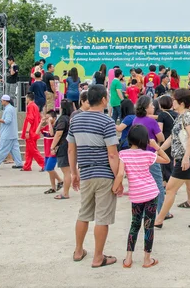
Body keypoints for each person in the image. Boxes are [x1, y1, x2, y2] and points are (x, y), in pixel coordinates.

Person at [68, 86, 121, 266]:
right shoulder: (106, 122)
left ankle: (78, 250)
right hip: (104, 174)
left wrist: (74, 172)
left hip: (86, 172)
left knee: (83, 213)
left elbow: (71, 148)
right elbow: (112, 154)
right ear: (104, 100)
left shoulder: (75, 120)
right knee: (102, 217)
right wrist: (118, 179)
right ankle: (98, 257)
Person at [113, 126, 171, 268]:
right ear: (145, 139)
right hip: (151, 193)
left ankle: (128, 258)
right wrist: (156, 146)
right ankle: (147, 259)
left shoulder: (123, 154)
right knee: (148, 226)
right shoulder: (148, 155)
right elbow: (167, 160)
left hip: (136, 195)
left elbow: (120, 174)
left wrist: (115, 187)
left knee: (134, 225)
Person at [153, 89, 190, 229]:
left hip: (187, 159)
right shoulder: (181, 116)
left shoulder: (188, 117)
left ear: (181, 102)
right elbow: (172, 138)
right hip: (186, 158)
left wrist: (185, 157)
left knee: (170, 189)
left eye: (174, 99)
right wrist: (158, 150)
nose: (172, 102)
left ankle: (159, 220)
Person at [132, 96, 166, 214]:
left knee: (142, 183)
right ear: (146, 108)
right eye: (151, 105)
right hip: (151, 155)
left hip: (138, 156)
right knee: (158, 184)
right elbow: (161, 137)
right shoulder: (151, 121)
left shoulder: (135, 120)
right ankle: (162, 211)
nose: (153, 106)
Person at [0, 95, 24, 170]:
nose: (1, 102)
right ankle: (19, 163)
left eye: (2, 100)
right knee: (15, 149)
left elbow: (7, 121)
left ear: (5, 101)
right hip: (12, 133)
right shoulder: (11, 108)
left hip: (7, 133)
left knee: (2, 149)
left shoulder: (9, 109)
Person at [51, 100, 74, 200]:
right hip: (70, 145)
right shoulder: (71, 118)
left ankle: (65, 193)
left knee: (66, 172)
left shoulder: (62, 119)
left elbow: (58, 133)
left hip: (63, 145)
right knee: (70, 170)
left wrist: (52, 146)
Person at [38, 111, 63, 194]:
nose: (47, 119)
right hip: (47, 152)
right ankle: (53, 187)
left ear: (54, 118)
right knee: (50, 170)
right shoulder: (45, 128)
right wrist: (41, 123)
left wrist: (49, 123)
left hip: (53, 152)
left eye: (49, 117)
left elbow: (52, 133)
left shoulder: (55, 127)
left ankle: (60, 180)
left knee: (49, 168)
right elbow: (36, 132)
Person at [21, 92, 45, 171]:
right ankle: (27, 166)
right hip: (34, 130)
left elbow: (30, 119)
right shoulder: (35, 106)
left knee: (32, 150)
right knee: (29, 149)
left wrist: (27, 131)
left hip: (31, 131)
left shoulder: (30, 106)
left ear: (28, 98)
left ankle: (44, 164)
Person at [157, 96, 178, 183]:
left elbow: (160, 130)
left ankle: (168, 182)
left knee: (165, 162)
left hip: (165, 141)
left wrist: (158, 143)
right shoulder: (176, 114)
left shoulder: (162, 115)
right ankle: (169, 181)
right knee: (172, 161)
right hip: (175, 140)